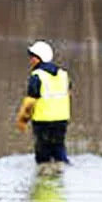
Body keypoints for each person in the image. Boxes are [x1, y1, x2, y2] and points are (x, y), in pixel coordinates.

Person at [16, 40, 71, 172]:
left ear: (38, 58)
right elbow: (68, 93)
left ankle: (44, 181)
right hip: (62, 120)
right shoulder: (63, 74)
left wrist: (22, 120)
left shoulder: (37, 76)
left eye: (33, 57)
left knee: (43, 155)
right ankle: (61, 174)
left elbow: (30, 102)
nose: (31, 60)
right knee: (59, 149)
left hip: (43, 121)